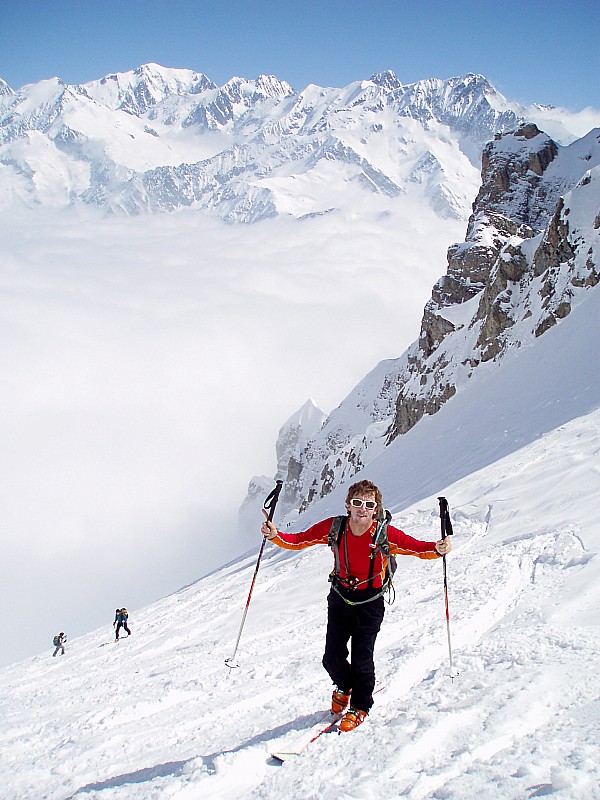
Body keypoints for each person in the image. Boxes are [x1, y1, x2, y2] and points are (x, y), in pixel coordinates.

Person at [261, 479, 452, 732]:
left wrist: (437, 549)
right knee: (331, 658)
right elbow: (299, 540)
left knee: (363, 659)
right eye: (357, 503)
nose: (362, 508)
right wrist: (276, 536)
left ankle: (361, 706)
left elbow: (416, 548)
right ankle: (345, 685)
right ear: (348, 505)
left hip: (370, 604)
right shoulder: (335, 528)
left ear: (376, 509)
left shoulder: (384, 534)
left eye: (369, 505)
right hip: (339, 599)